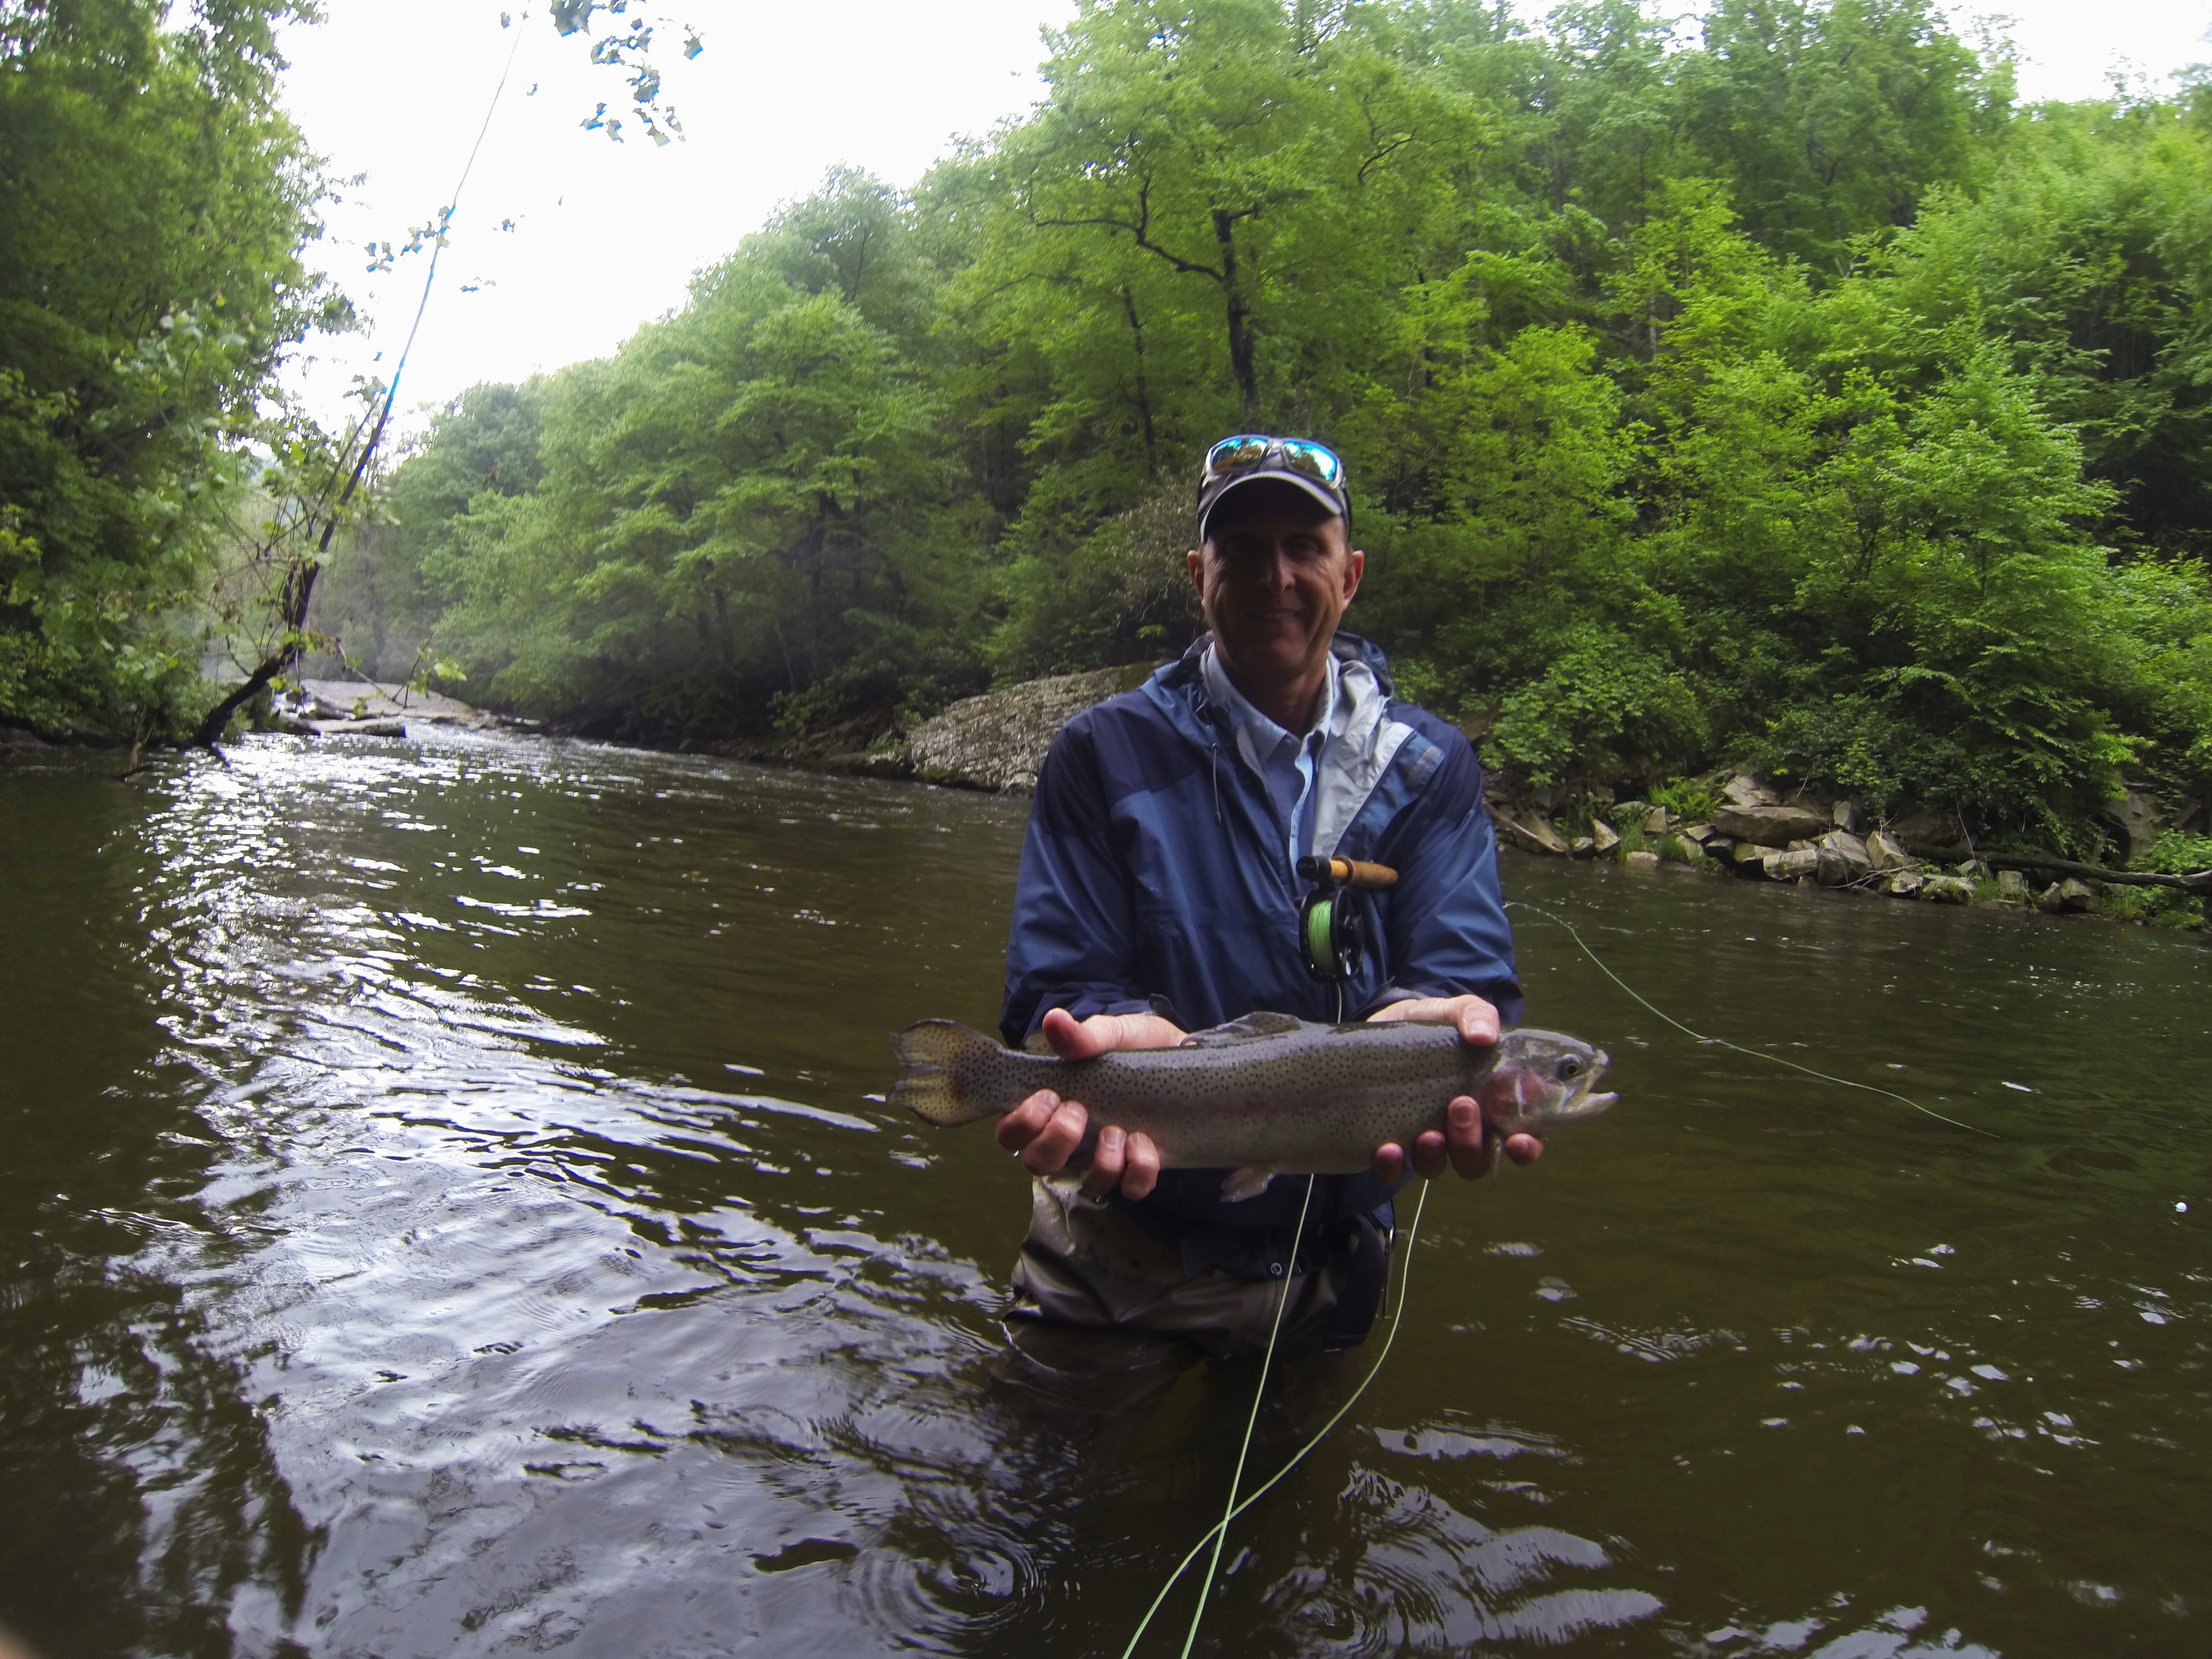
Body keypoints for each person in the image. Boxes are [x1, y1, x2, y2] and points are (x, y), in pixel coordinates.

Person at [994, 434, 1539, 1354]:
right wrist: (1091, 1034)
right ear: (1197, 575)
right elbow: (1058, 984)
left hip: (1335, 1253)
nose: (1274, 577)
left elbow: (1462, 973)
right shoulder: (1101, 752)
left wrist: (1442, 1027)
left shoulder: (1428, 765)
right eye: (1241, 549)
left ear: (1350, 575)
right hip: (1123, 1227)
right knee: (1054, 1447)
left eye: (1304, 548)